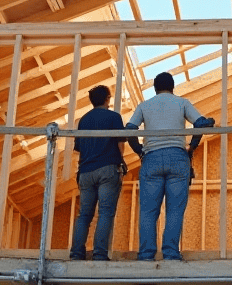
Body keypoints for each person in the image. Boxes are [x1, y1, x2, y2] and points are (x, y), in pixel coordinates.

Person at [126, 72, 213, 261]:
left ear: (155, 88)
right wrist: (192, 147)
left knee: (149, 211)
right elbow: (201, 124)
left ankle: (146, 255)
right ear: (173, 87)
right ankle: (171, 254)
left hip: (152, 158)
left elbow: (129, 130)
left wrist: (139, 150)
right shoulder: (182, 102)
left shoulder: (145, 105)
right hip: (177, 156)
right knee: (174, 210)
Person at [69, 85, 126, 261]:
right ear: (107, 99)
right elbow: (120, 143)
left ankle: (76, 253)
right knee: (106, 212)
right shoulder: (114, 117)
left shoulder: (83, 120)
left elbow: (78, 148)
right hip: (107, 169)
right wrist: (120, 162)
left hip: (85, 172)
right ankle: (100, 253)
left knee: (84, 214)